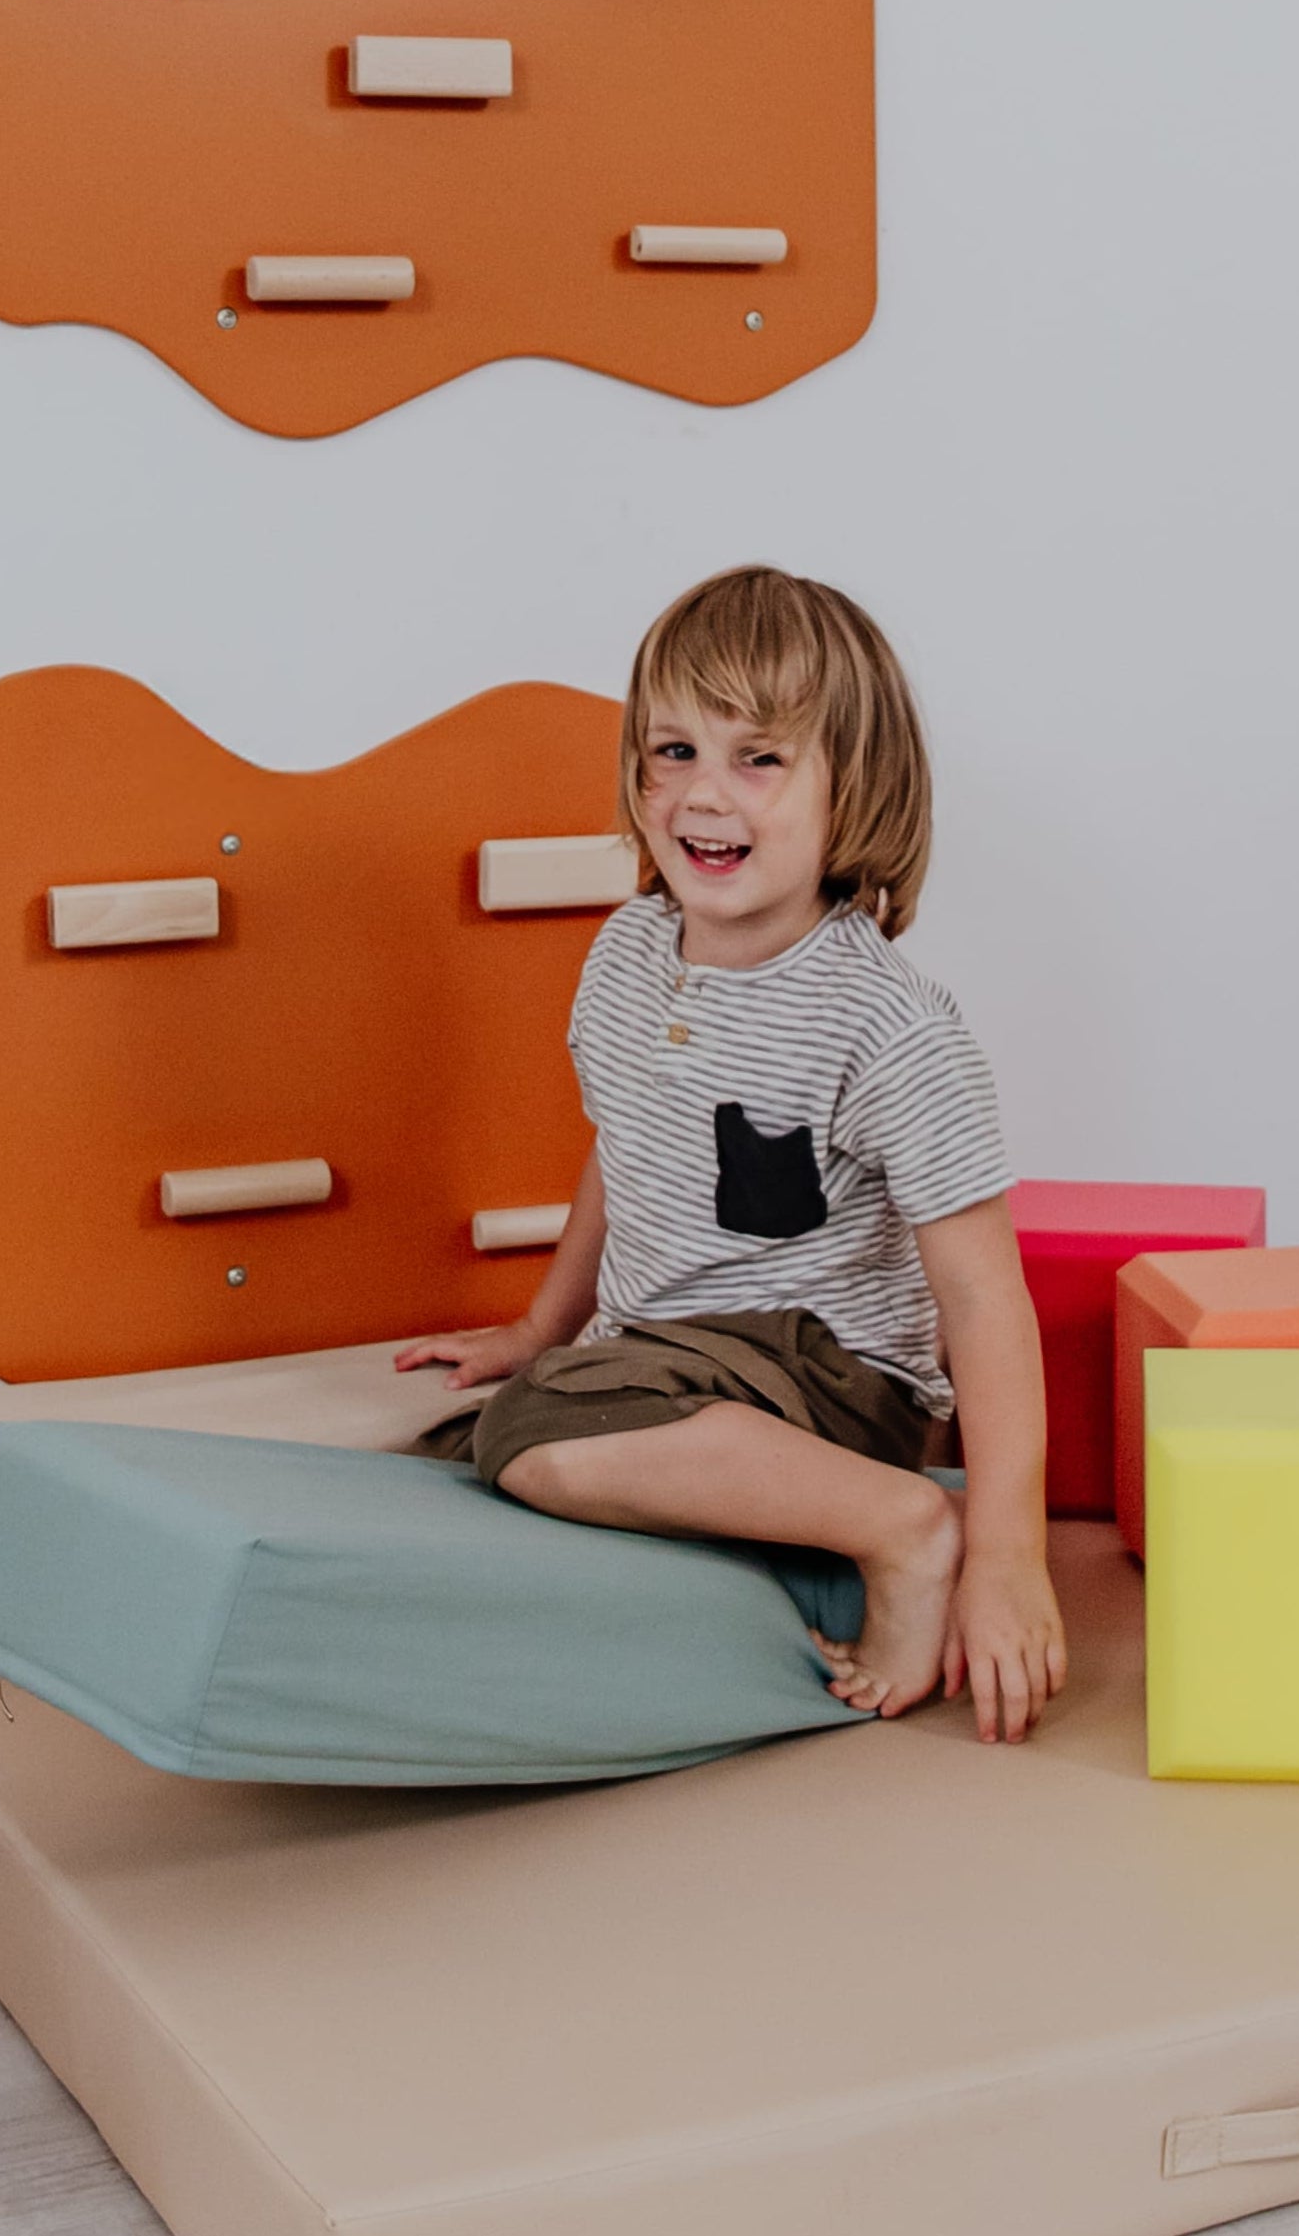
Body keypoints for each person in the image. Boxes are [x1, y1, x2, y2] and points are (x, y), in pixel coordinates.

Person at [400, 565, 1066, 1743]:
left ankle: (902, 1527)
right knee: (511, 1417)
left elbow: (984, 1296)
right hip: (676, 1356)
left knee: (531, 1433)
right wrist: (535, 1327)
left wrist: (1007, 1552)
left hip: (831, 1375)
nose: (703, 795)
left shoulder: (886, 1024)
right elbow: (626, 1147)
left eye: (759, 758)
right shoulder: (624, 952)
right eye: (671, 751)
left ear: (848, 787)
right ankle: (639, 1413)